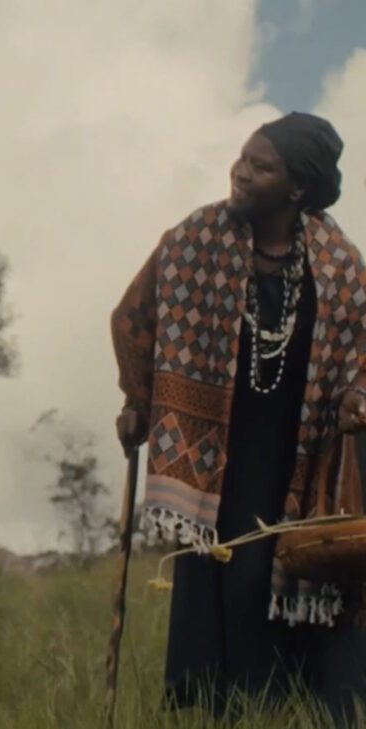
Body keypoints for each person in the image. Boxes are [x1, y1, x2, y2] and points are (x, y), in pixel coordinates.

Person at [111, 111, 366, 725]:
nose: (241, 172)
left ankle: (285, 708)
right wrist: (137, 401)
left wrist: (357, 394)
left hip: (299, 454)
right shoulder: (192, 241)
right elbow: (134, 317)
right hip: (212, 453)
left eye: (261, 166)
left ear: (297, 188)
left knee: (281, 577)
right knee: (219, 580)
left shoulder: (338, 264)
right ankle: (218, 712)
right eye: (243, 158)